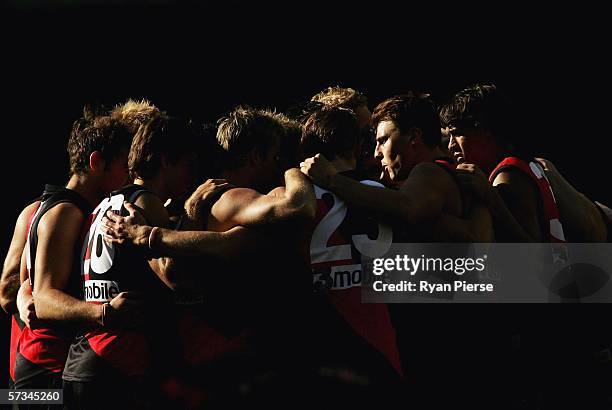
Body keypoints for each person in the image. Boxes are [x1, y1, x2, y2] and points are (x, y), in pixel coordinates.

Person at [62, 113, 199, 409]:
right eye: (188, 164)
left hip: (82, 359)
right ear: (165, 161)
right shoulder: (146, 203)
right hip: (120, 363)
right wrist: (191, 215)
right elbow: (176, 276)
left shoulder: (102, 204)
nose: (192, 176)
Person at [13, 114, 139, 394]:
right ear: (97, 163)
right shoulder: (66, 212)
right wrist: (104, 312)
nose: (130, 175)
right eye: (124, 166)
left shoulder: (56, 207)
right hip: (45, 367)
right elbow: (43, 300)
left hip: (47, 362)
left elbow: (27, 281)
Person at [300, 105, 402, 387]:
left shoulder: (297, 200)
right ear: (357, 146)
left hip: (326, 349)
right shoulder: (382, 193)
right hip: (384, 344)